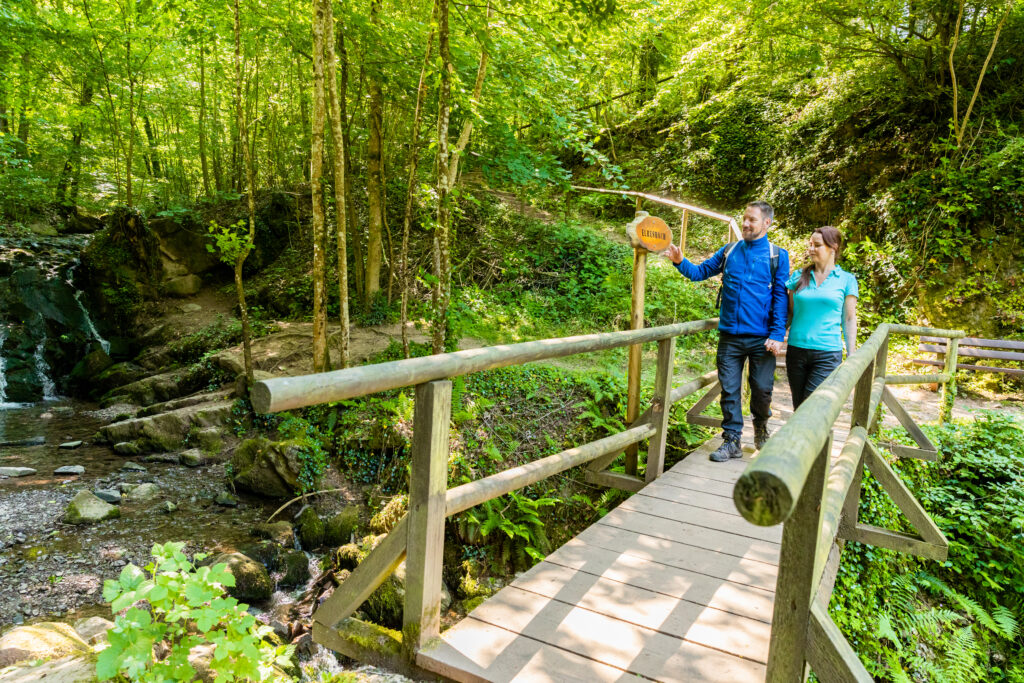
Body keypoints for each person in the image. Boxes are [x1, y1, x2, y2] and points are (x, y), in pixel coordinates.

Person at [665, 201, 790, 462]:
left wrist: (778, 334)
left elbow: (780, 297)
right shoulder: (729, 251)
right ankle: (732, 440)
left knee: (762, 389)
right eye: (744, 218)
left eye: (752, 220)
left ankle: (761, 427)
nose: (746, 223)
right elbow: (699, 272)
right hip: (730, 337)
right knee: (730, 390)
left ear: (767, 223)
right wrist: (679, 261)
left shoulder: (777, 256)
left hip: (762, 338)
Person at [785, 226, 858, 408]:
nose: (811, 249)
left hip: (827, 354)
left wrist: (851, 354)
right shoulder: (798, 276)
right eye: (810, 244)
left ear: (833, 248)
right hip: (796, 351)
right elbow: (790, 313)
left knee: (811, 406)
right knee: (798, 406)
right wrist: (773, 337)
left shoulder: (846, 279)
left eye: (817, 245)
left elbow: (849, 319)